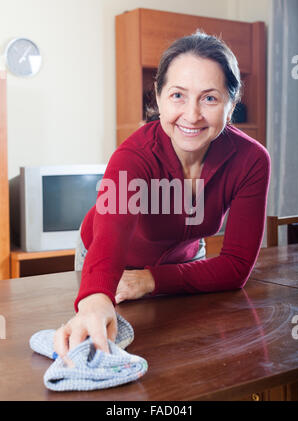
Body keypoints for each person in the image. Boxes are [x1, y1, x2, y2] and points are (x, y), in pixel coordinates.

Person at [54, 31, 271, 357]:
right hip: (110, 263)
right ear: (157, 97)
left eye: (210, 98)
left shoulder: (251, 161)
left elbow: (236, 266)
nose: (193, 114)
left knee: (180, 355)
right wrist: (97, 300)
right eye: (178, 96)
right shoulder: (132, 157)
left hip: (183, 265)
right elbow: (108, 247)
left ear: (231, 104)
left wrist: (153, 280)